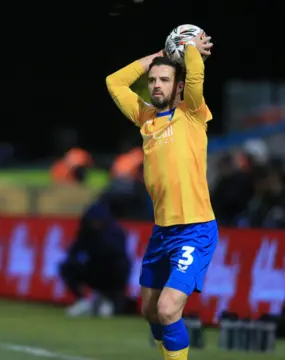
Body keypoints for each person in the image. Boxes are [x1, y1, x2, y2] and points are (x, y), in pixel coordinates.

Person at [105, 33, 216, 360]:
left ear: (178, 87)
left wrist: (191, 47)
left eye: (164, 80)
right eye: (152, 80)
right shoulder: (146, 118)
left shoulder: (192, 113)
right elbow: (115, 83)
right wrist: (155, 57)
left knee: (168, 309)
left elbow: (195, 75)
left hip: (195, 229)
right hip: (162, 231)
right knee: (150, 310)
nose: (156, 85)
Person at [59, 200, 131, 317]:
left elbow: (116, 256)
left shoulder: (115, 232)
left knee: (118, 266)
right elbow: (74, 251)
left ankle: (109, 301)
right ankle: (83, 300)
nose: (94, 224)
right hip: (93, 269)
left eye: (97, 221)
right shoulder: (85, 232)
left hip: (112, 272)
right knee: (67, 267)